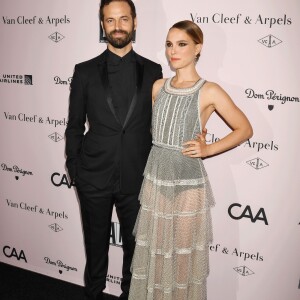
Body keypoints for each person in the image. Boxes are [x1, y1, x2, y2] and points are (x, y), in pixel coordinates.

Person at [128, 20, 253, 300]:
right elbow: (155, 131)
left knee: (181, 260)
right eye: (170, 44)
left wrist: (208, 150)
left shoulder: (209, 90)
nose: (174, 51)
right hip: (156, 178)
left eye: (182, 44)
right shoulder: (158, 86)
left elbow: (244, 129)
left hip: (187, 185)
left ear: (198, 48)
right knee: (154, 254)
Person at [65, 0, 162, 299]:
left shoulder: (154, 70)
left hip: (137, 178)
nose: (117, 26)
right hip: (93, 177)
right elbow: (74, 125)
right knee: (95, 246)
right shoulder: (84, 71)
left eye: (123, 19)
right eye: (110, 20)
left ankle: (129, 294)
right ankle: (93, 293)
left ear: (134, 22)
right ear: (102, 25)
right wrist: (76, 168)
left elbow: (159, 124)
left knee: (136, 250)